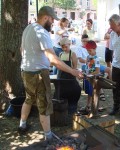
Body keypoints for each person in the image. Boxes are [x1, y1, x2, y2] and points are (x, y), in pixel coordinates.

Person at [19, 6, 82, 143]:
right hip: (38, 74)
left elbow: (21, 50)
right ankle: (48, 136)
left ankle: (22, 125)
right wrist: (73, 71)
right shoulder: (42, 33)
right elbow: (53, 59)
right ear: (46, 17)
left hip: (26, 71)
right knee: (45, 104)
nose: (53, 22)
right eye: (52, 19)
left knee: (29, 98)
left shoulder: (28, 28)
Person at [56, 38, 81, 114]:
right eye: (62, 47)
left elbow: (74, 67)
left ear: (69, 44)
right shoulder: (60, 54)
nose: (64, 49)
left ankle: (72, 109)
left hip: (70, 78)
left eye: (66, 47)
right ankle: (63, 109)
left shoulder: (72, 54)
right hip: (62, 77)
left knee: (73, 93)